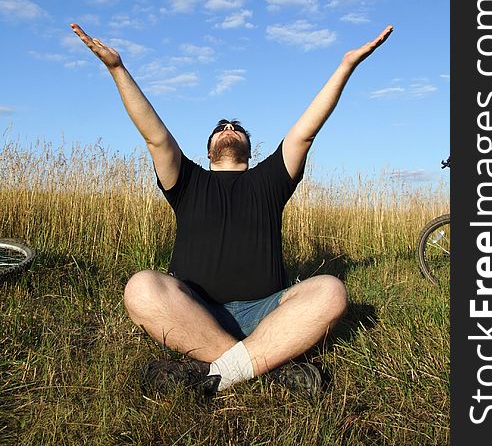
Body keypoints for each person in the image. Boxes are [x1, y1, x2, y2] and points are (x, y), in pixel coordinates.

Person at [70, 22, 393, 398]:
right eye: (220, 127)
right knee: (141, 288)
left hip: (266, 311)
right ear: (209, 150)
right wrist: (117, 68)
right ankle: (268, 368)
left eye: (236, 127)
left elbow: (306, 130)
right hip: (194, 310)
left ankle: (212, 370)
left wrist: (345, 66)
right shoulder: (187, 180)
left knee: (331, 292)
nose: (228, 127)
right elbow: (154, 135)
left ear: (250, 149)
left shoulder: (270, 179)